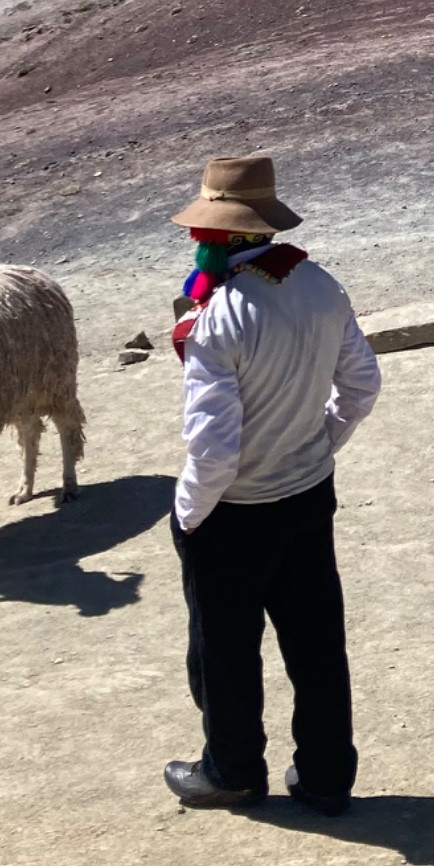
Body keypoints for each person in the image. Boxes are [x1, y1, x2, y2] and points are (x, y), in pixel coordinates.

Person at [163, 154, 380, 815]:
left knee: (224, 654)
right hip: (309, 496)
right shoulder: (320, 285)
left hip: (235, 512)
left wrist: (188, 512)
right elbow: (362, 386)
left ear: (214, 232)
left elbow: (215, 447)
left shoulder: (219, 317)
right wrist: (316, 446)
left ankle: (231, 770)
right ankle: (324, 776)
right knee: (317, 647)